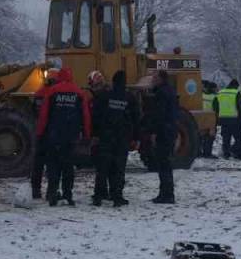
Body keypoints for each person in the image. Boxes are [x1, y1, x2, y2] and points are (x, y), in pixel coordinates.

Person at [37, 67, 91, 206]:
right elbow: (85, 116)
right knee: (68, 166)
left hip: (54, 135)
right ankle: (68, 194)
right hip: (71, 137)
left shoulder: (52, 91)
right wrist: (86, 134)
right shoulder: (79, 93)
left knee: (53, 166)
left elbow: (44, 115)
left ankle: (53, 193)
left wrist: (40, 132)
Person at [92, 70, 141, 206]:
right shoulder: (130, 98)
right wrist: (136, 138)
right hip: (122, 138)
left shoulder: (104, 96)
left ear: (113, 81)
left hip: (106, 137)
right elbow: (136, 119)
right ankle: (117, 196)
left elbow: (96, 116)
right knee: (118, 168)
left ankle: (98, 196)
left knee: (103, 168)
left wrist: (95, 135)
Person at [150, 70, 179, 204]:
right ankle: (167, 193)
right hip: (171, 130)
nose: (152, 79)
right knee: (166, 163)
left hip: (163, 132)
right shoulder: (170, 91)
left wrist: (155, 132)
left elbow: (158, 115)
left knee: (163, 164)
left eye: (155, 77)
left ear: (161, 79)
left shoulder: (161, 93)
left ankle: (166, 194)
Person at [30, 71, 56, 199]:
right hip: (52, 133)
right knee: (52, 163)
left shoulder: (39, 93)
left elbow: (33, 111)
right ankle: (51, 191)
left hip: (40, 132)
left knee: (38, 163)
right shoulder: (54, 94)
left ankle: (36, 190)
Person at [215, 79, 241, 159]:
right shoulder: (236, 93)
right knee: (238, 137)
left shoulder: (220, 93)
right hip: (234, 119)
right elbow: (240, 107)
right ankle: (238, 154)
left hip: (223, 119)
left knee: (226, 138)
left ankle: (226, 153)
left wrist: (218, 117)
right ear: (235, 86)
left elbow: (216, 106)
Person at [200, 81, 218, 158]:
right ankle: (207, 153)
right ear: (213, 88)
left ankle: (199, 152)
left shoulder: (201, 95)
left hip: (201, 117)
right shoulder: (214, 97)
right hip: (211, 118)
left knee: (201, 136)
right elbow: (216, 109)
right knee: (210, 137)